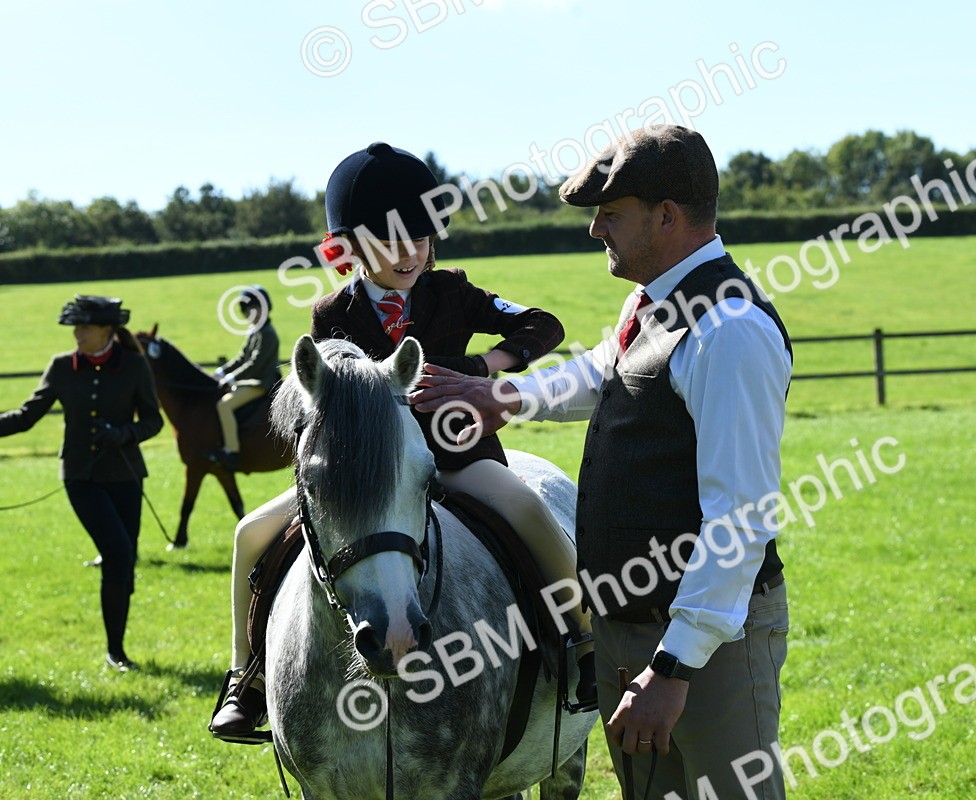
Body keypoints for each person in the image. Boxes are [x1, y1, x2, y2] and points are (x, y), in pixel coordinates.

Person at [411, 125, 793, 798]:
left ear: (666, 216)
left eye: (610, 214)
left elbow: (740, 518)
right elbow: (604, 372)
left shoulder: (729, 330)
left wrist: (672, 669)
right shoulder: (651, 302)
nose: (595, 230)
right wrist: (505, 395)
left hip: (706, 650)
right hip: (629, 638)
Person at [209, 142, 593, 739]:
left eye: (419, 238)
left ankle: (584, 643)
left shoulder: (454, 292)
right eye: (388, 243)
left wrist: (481, 368)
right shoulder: (331, 315)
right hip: (370, 474)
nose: (408, 253)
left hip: (457, 456)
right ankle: (248, 678)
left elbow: (543, 325)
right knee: (249, 533)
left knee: (527, 507)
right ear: (352, 250)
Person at [0, 296, 163, 672]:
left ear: (106, 330)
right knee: (118, 554)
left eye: (85, 328)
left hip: (126, 476)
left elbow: (153, 421)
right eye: (75, 328)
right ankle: (116, 653)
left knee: (124, 565)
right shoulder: (60, 367)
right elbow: (27, 417)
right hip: (81, 477)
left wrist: (124, 432)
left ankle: (116, 643)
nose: (78, 334)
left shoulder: (134, 365)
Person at [207, 285, 281, 472]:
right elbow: (241, 357)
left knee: (224, 405)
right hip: (251, 381)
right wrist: (221, 372)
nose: (249, 312)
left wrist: (232, 377)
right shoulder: (255, 331)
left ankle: (231, 451)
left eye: (253, 308)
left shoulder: (268, 334)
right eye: (246, 309)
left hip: (262, 383)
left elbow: (255, 364)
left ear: (264, 308)